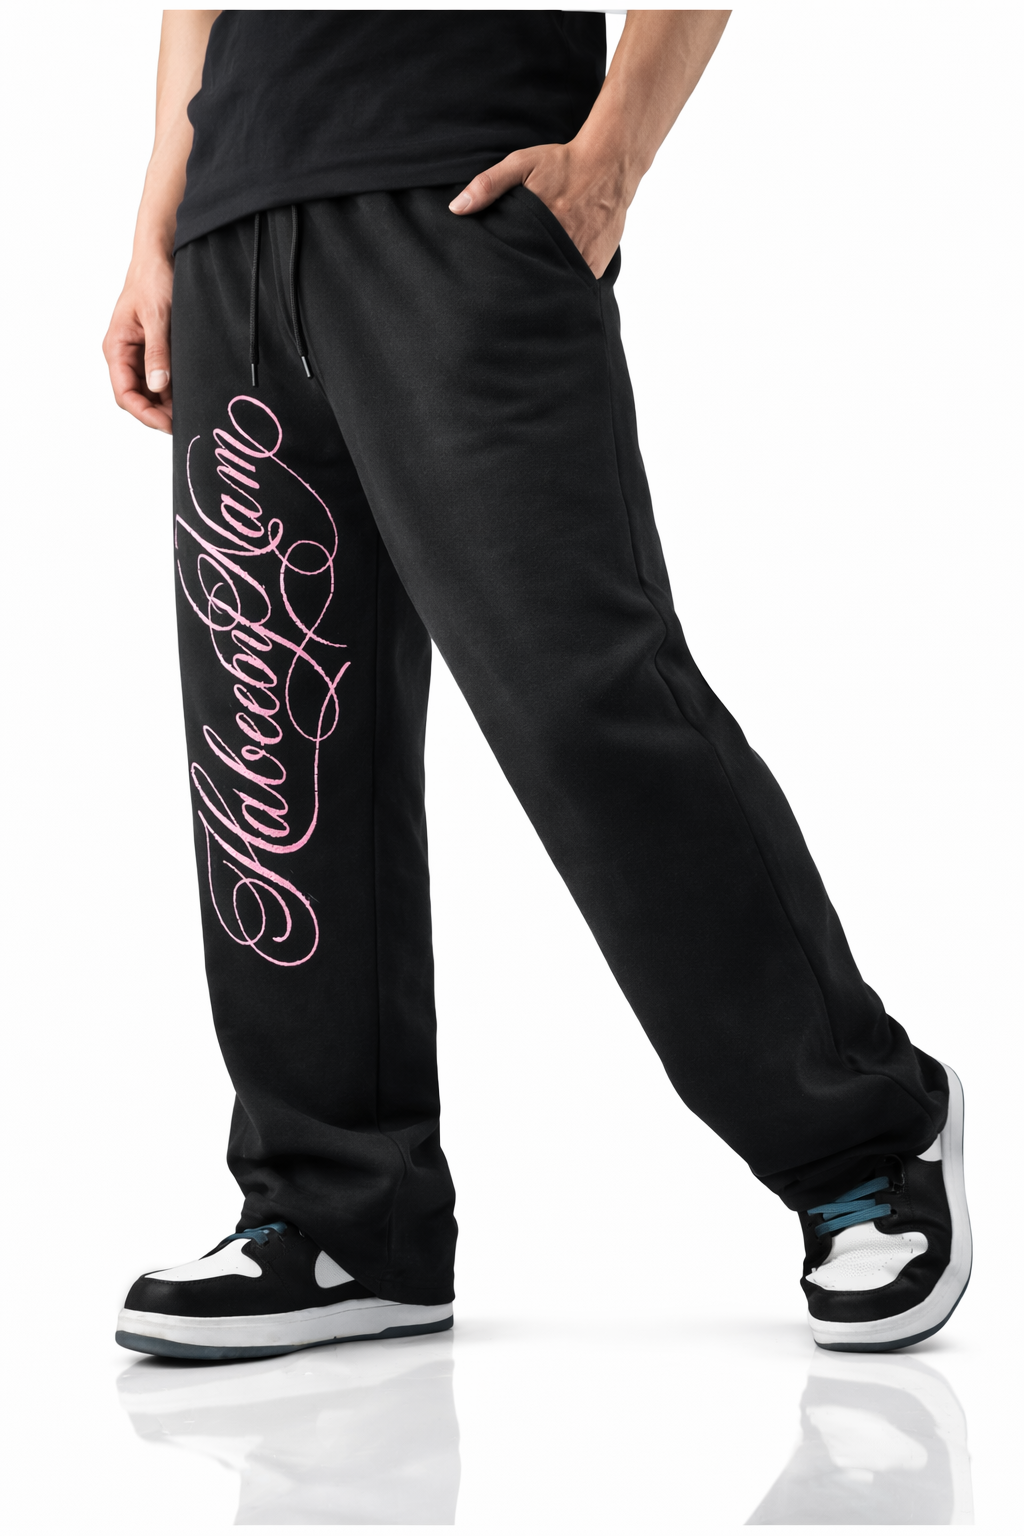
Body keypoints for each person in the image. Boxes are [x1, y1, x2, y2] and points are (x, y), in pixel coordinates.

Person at [104, 9, 970, 1363]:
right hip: (239, 228)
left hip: (461, 196)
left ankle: (861, 1134)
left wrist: (609, 161)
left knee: (580, 700)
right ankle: (341, 1215)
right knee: (274, 761)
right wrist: (158, 220)